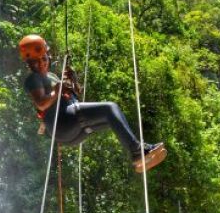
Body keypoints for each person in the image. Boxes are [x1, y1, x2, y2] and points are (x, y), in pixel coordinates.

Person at [18, 34, 167, 173]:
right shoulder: (33, 79)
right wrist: (57, 89)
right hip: (62, 122)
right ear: (29, 64)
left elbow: (74, 94)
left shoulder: (52, 76)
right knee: (110, 108)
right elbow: (41, 103)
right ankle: (137, 151)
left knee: (112, 119)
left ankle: (139, 155)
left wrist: (73, 80)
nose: (41, 63)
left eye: (43, 58)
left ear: (47, 56)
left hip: (70, 130)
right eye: (35, 62)